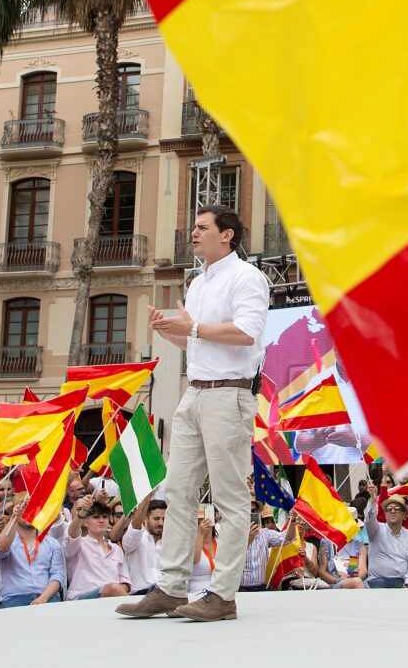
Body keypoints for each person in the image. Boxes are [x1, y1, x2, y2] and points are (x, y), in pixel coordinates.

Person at [118, 205, 269, 623]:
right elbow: (199, 345)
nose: (194, 233)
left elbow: (247, 333)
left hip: (230, 396)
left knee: (229, 499)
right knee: (178, 491)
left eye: (203, 228)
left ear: (228, 236)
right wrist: (173, 332)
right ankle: (170, 587)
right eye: (195, 227)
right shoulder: (199, 283)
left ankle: (222, 595)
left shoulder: (247, 278)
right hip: (196, 392)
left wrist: (194, 328)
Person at [0, 498, 65, 607]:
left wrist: (43, 598)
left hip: (47, 597)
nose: (29, 512)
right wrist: (14, 518)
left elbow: (57, 575)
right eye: (24, 508)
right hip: (14, 598)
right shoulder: (8, 539)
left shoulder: (52, 543)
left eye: (33, 508)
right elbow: (0, 550)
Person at [66, 495, 131, 600]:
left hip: (112, 598)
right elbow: (72, 533)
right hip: (81, 598)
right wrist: (81, 515)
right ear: (86, 522)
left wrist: (117, 591)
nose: (101, 520)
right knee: (112, 588)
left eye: (104, 517)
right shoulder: (79, 543)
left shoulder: (116, 549)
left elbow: (126, 583)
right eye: (96, 517)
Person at [363, 494, 408, 588]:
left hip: (402, 581)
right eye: (389, 509)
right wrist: (372, 502)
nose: (393, 511)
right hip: (378, 580)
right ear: (385, 514)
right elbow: (369, 519)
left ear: (405, 515)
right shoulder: (376, 530)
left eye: (397, 508)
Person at [113, 496, 165, 595]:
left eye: (164, 519)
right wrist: (146, 499)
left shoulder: (168, 541)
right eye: (156, 519)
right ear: (145, 517)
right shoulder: (137, 537)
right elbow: (135, 526)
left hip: (164, 594)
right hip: (140, 594)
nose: (161, 523)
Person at [240, 501, 284, 592]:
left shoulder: (265, 533)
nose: (252, 513)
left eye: (254, 510)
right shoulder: (235, 533)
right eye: (248, 510)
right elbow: (232, 557)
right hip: (240, 589)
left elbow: (287, 537)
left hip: (261, 588)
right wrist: (249, 539)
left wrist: (293, 521)